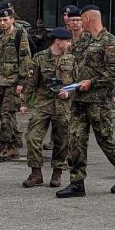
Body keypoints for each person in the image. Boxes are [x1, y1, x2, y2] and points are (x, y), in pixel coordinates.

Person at [56, 5, 115, 198]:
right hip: (79, 99)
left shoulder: (108, 41)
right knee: (75, 139)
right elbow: (75, 63)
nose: (79, 23)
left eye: (81, 19)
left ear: (88, 20)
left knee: (105, 139)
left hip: (98, 101)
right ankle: (76, 182)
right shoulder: (84, 40)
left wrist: (92, 82)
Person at [21, 27, 76, 188]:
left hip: (63, 107)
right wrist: (23, 102)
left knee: (62, 141)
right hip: (43, 105)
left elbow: (79, 82)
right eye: (67, 41)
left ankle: (57, 173)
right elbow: (31, 82)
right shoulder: (39, 58)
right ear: (58, 42)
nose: (69, 43)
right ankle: (36, 173)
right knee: (32, 138)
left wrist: (69, 92)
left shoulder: (72, 59)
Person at [0, 6, 33, 161]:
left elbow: (25, 59)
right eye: (0, 20)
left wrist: (21, 82)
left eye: (5, 20)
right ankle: (14, 139)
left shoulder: (19, 35)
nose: (3, 23)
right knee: (2, 112)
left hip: (13, 81)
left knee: (7, 112)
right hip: (0, 80)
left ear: (12, 20)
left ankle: (6, 145)